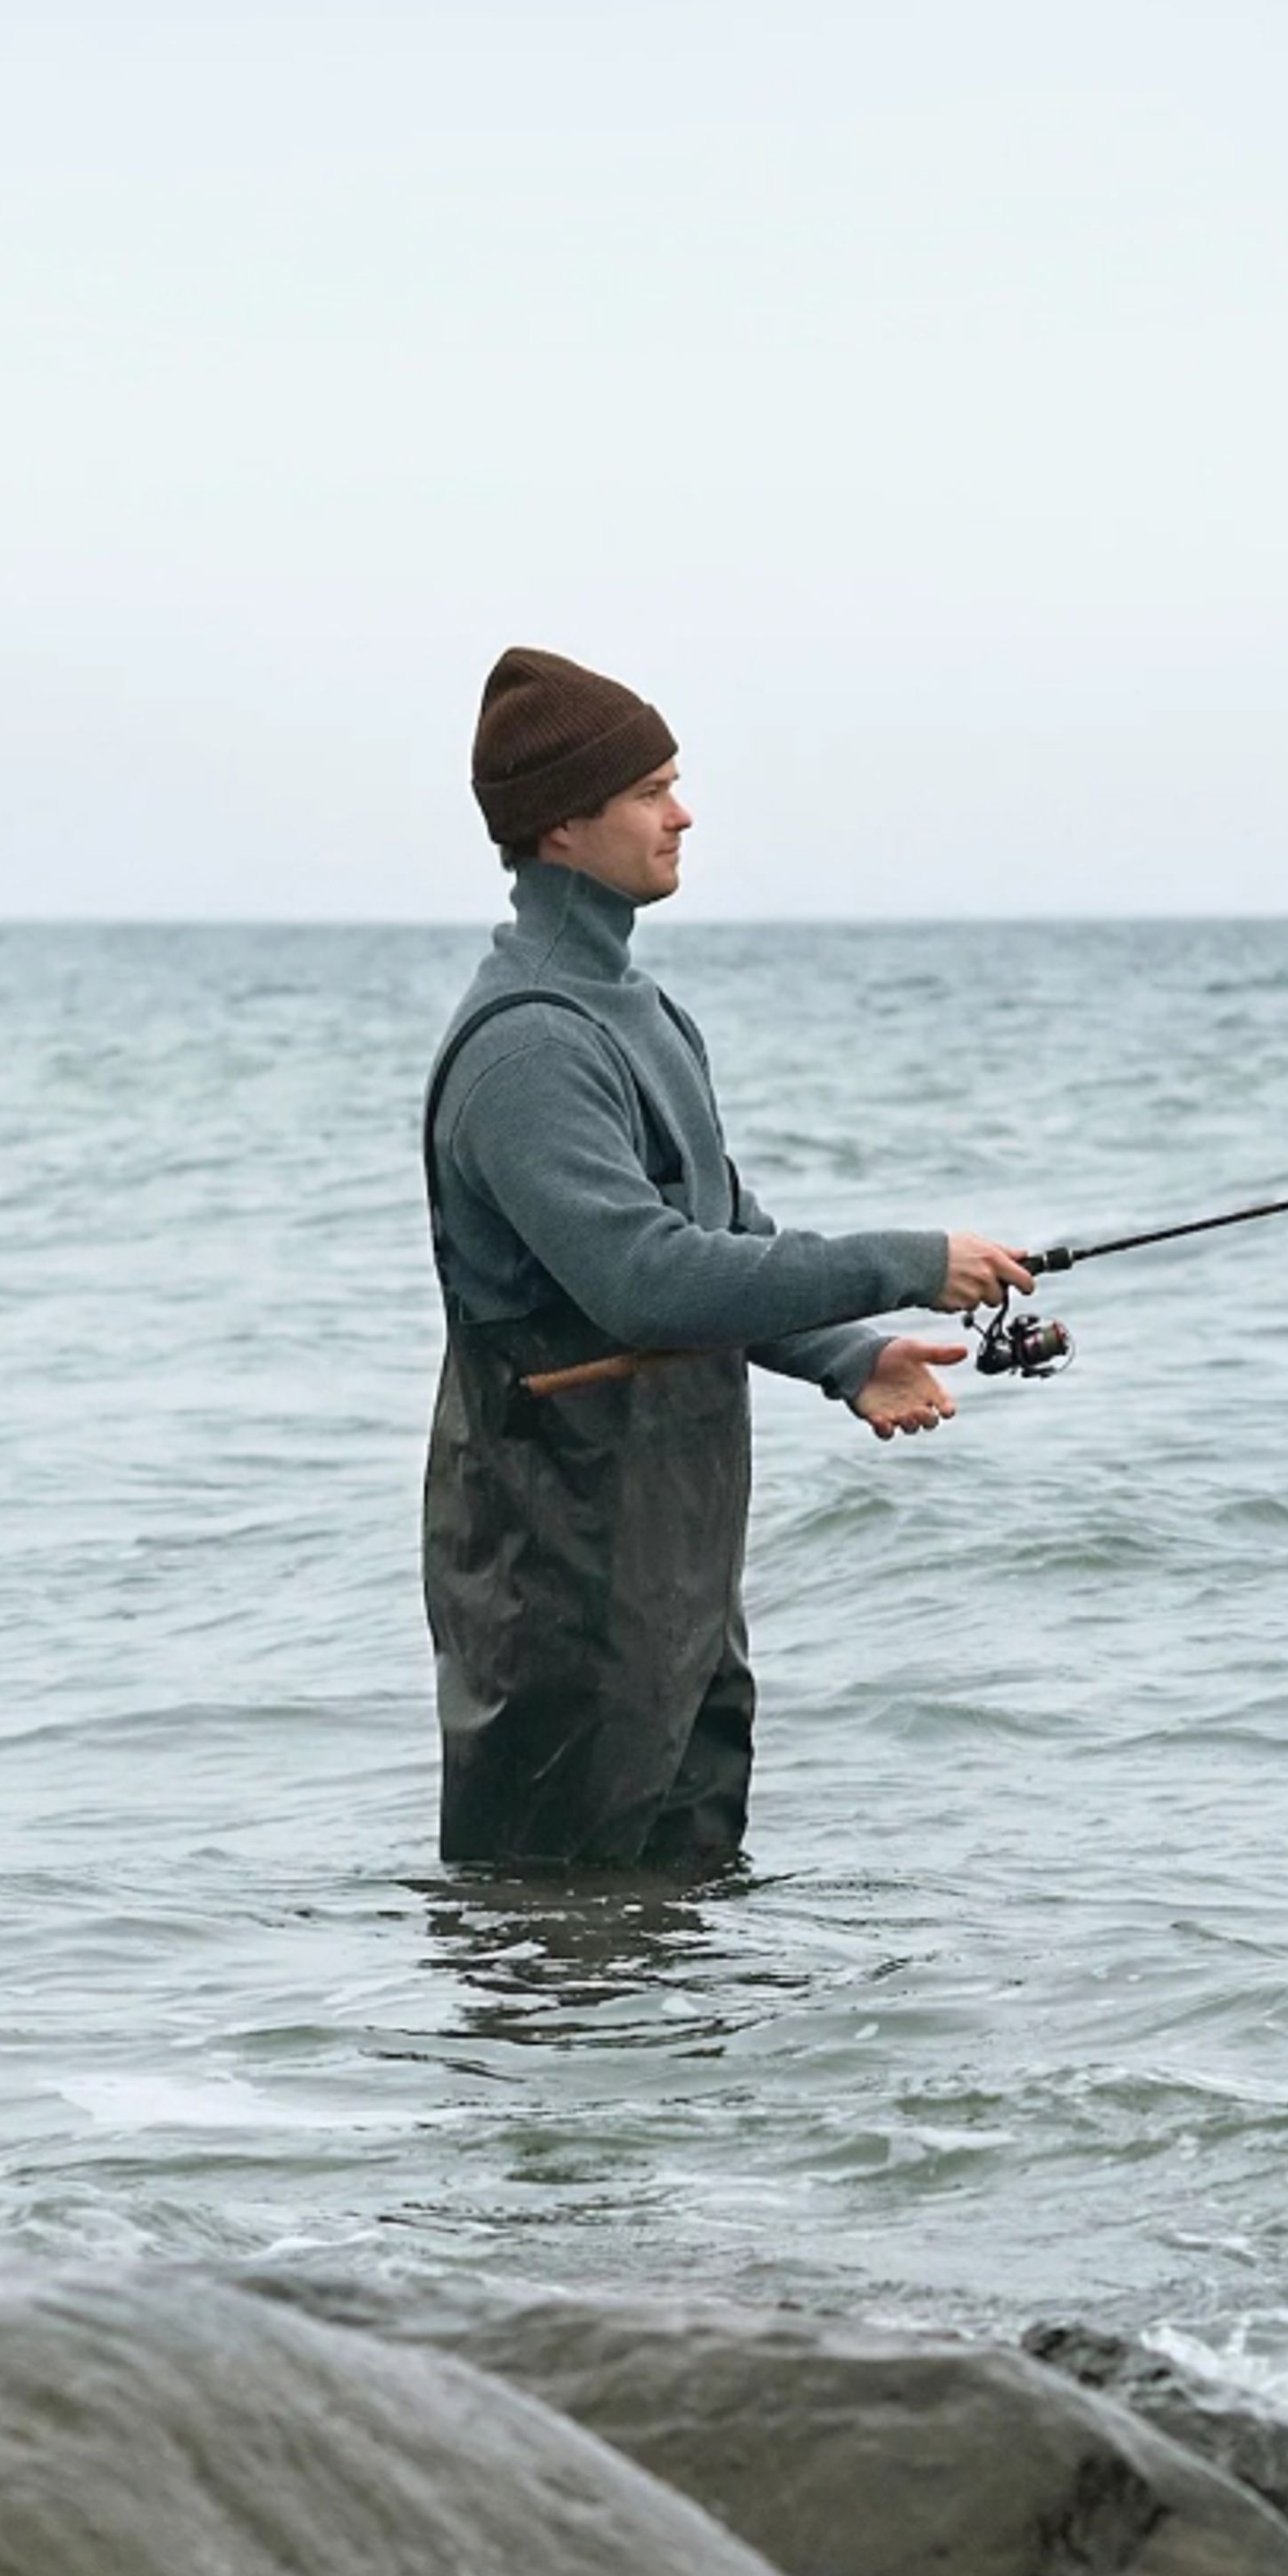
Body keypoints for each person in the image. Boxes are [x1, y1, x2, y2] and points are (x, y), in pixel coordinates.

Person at [421, 644, 1034, 1872]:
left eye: (674, 781)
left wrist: (846, 1356)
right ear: (559, 826)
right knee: (549, 1976)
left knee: (684, 1944)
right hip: (560, 1585)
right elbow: (645, 1278)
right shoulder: (530, 1048)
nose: (682, 812)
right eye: (650, 790)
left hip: (674, 1572)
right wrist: (908, 1262)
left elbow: (724, 1236)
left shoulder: (632, 1011)